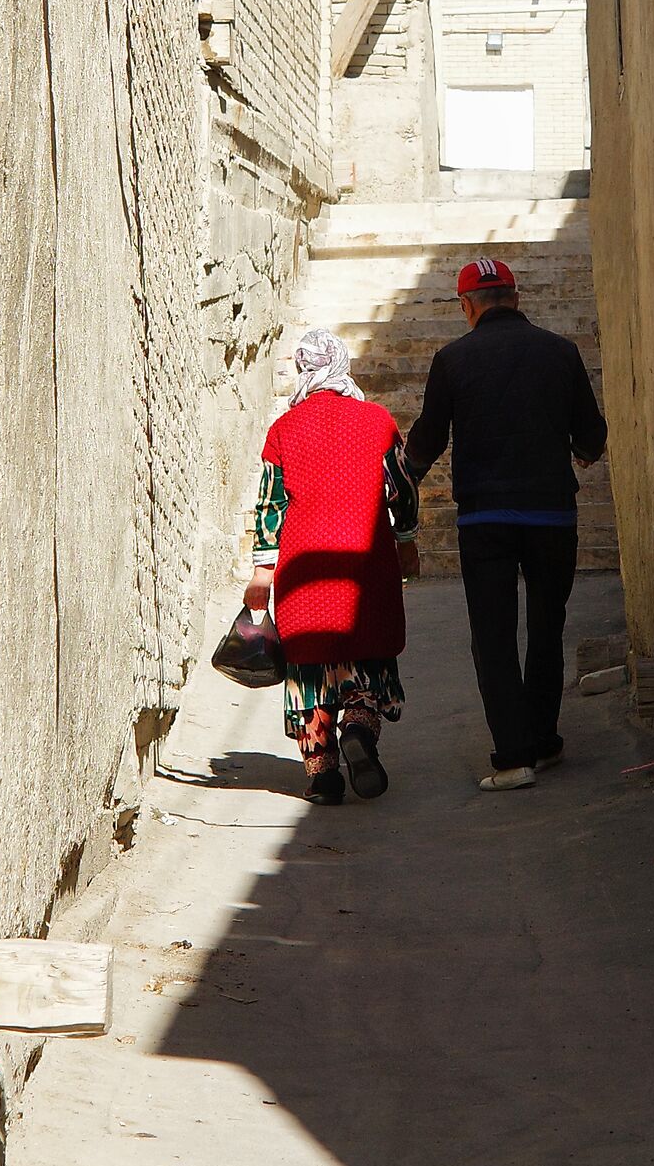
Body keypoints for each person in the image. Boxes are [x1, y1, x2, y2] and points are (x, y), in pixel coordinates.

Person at [405, 255, 607, 792]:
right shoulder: (561, 353)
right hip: (551, 515)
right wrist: (582, 452)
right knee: (547, 625)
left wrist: (405, 480)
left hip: (485, 518)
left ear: (467, 307)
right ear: (517, 299)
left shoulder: (452, 359)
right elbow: (591, 434)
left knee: (492, 636)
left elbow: (427, 439)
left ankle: (514, 757)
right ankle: (544, 740)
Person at [246, 328, 420, 805]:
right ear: (342, 365)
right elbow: (402, 488)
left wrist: (263, 570)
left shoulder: (284, 429)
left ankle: (322, 774)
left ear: (303, 370)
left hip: (303, 568)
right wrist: (406, 540)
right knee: (367, 656)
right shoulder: (377, 421)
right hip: (366, 563)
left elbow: (270, 504)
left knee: (308, 668)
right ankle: (359, 731)